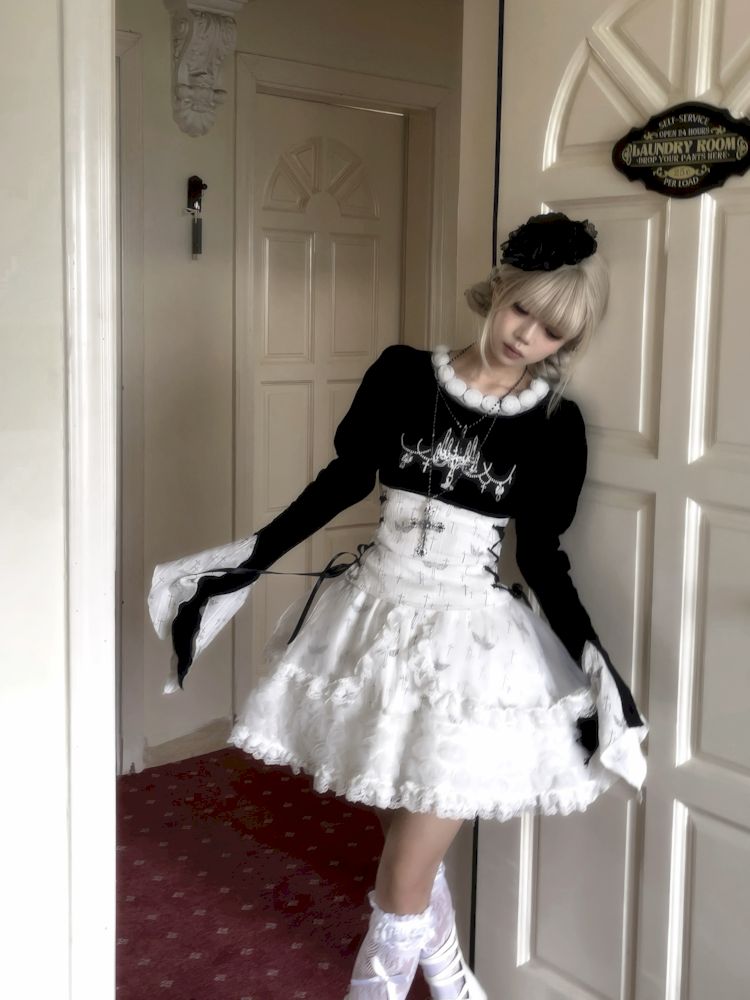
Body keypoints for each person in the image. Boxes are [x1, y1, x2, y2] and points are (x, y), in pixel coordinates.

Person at [148, 213, 649, 1000]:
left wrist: (595, 658)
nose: (527, 337)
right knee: (402, 855)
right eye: (522, 310)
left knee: (402, 874)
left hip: (468, 656)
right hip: (370, 626)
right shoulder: (403, 373)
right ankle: (453, 982)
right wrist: (251, 559)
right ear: (500, 288)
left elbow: (541, 556)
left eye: (552, 331)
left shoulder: (556, 425)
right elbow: (343, 481)